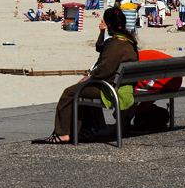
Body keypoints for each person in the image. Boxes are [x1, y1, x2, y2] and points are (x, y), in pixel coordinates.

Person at [40, 8, 139, 144]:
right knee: (84, 89)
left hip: (112, 89)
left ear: (109, 25)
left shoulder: (116, 45)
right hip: (125, 86)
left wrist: (91, 76)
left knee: (70, 93)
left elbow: (105, 70)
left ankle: (62, 133)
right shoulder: (130, 42)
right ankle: (94, 128)